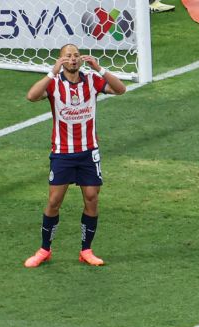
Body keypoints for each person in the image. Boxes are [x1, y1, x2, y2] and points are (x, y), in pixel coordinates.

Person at [24, 44, 126, 268]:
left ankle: (86, 250)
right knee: (54, 201)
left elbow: (121, 89)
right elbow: (31, 96)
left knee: (91, 198)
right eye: (68, 56)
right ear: (61, 60)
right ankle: (44, 249)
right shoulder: (53, 83)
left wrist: (99, 69)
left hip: (89, 152)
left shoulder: (92, 80)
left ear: (81, 60)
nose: (73, 59)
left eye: (76, 55)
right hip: (62, 153)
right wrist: (52, 72)